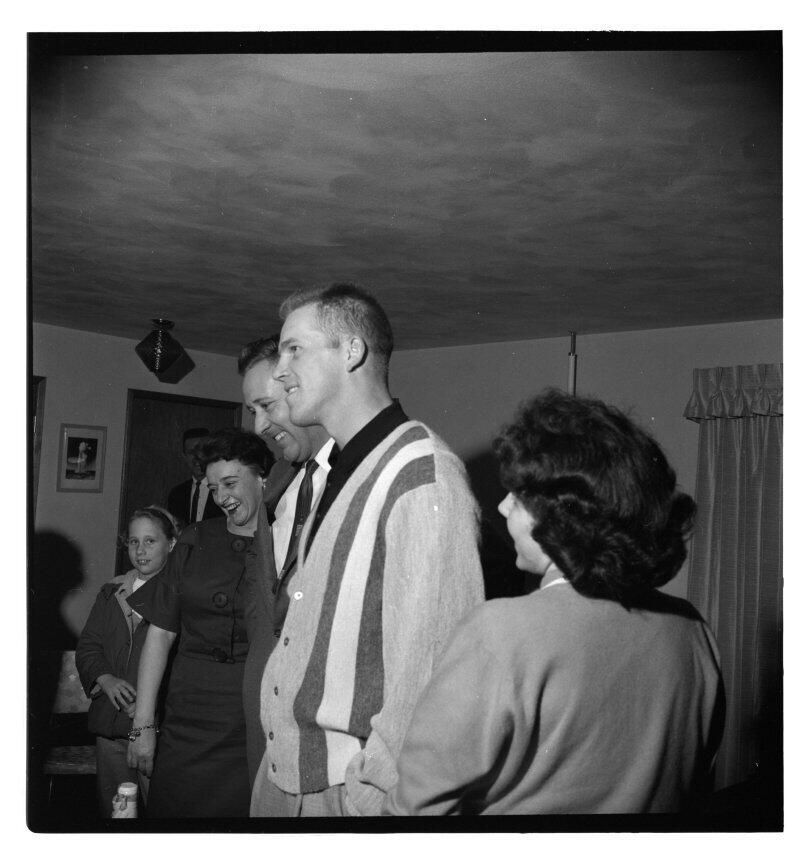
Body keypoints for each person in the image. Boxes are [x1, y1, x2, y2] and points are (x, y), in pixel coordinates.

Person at [384, 389, 726, 815]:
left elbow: (415, 810)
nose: (502, 506)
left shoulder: (501, 630)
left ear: (562, 515)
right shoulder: (692, 630)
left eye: (518, 496)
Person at [250, 284, 485, 817]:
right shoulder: (337, 467)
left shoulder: (421, 473)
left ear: (352, 351)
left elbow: (435, 672)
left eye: (294, 350)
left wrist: (373, 799)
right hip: (285, 777)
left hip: (347, 793)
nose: (279, 372)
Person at [127, 428, 273, 818]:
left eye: (230, 483)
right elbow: (160, 634)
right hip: (186, 714)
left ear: (262, 479)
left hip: (250, 714)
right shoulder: (194, 538)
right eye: (213, 487)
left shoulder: (287, 542)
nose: (221, 496)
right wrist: (143, 726)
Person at [238, 335, 334, 787]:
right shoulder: (279, 480)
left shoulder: (366, 477)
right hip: (266, 714)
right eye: (252, 411)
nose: (258, 426)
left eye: (266, 406)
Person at [75, 506, 180, 816]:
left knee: (160, 808)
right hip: (112, 725)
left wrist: (149, 704)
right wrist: (105, 679)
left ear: (171, 544)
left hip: (155, 731)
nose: (140, 550)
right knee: (118, 808)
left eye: (150, 541)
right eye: (134, 542)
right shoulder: (111, 592)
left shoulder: (180, 594)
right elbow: (89, 646)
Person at [166, 427, 224, 525]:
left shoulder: (223, 490)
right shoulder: (176, 495)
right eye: (191, 452)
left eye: (201, 451)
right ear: (184, 456)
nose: (197, 457)